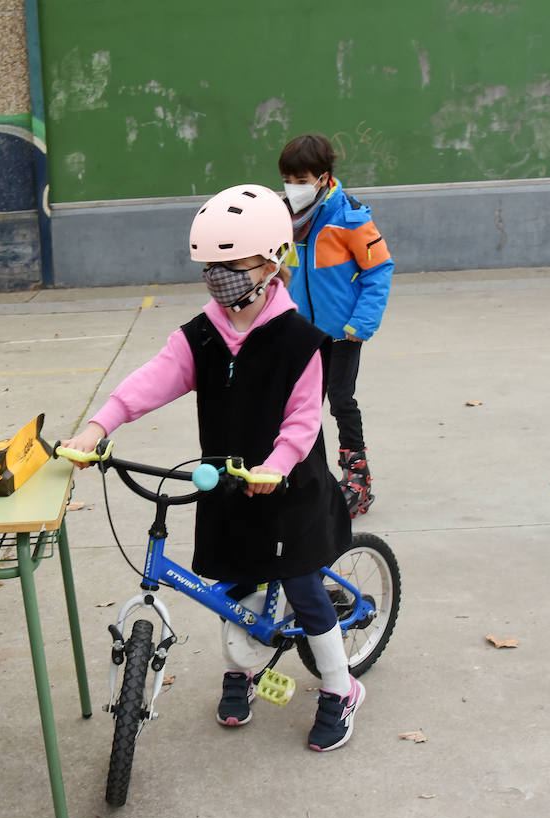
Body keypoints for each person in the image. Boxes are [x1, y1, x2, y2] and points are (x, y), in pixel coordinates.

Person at [63, 184, 361, 751]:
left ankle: (339, 686)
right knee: (232, 580)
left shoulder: (300, 341)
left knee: (302, 585)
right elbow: (149, 382)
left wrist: (275, 465)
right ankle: (241, 671)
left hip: (288, 485)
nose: (218, 276)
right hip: (227, 484)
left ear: (272, 262)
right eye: (209, 266)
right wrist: (99, 426)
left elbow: (302, 423)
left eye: (232, 264)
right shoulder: (201, 335)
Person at [278, 134, 393, 518]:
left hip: (342, 333)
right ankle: (304, 476)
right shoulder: (282, 219)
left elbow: (379, 270)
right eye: (288, 180)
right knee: (297, 404)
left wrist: (360, 323)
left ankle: (357, 479)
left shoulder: (349, 217)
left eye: (301, 180)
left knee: (341, 400)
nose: (293, 188)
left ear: (323, 178)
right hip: (300, 332)